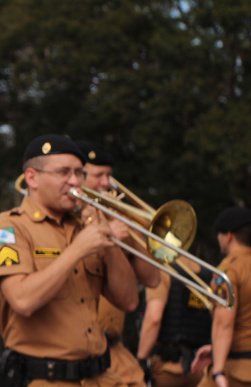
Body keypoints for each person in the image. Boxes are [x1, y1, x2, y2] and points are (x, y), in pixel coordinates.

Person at [0, 134, 138, 386]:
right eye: (64, 173)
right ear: (32, 178)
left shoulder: (84, 226)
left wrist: (106, 239)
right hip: (45, 378)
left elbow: (129, 300)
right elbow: (22, 300)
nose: (75, 181)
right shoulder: (9, 228)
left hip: (99, 377)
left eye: (79, 173)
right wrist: (78, 249)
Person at [75, 141, 160, 387]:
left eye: (109, 175)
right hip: (73, 354)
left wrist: (129, 238)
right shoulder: (65, 221)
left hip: (115, 352)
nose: (106, 183)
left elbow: (152, 279)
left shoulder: (116, 217)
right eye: (98, 175)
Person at [190, 206, 251, 387]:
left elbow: (224, 323)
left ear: (229, 235)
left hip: (237, 374)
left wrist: (218, 370)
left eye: (220, 234)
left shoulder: (228, 272)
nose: (218, 239)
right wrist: (215, 349)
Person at [136, 260, 212, 387]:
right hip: (198, 370)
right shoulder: (206, 273)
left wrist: (140, 361)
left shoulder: (161, 269)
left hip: (166, 369)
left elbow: (154, 319)